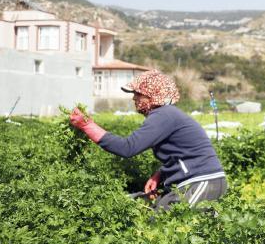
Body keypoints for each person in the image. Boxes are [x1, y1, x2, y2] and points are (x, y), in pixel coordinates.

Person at [69, 70, 227, 211]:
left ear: (153, 95)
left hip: (201, 182)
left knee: (169, 228)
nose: (133, 98)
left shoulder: (163, 115)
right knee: (153, 217)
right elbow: (180, 153)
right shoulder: (165, 115)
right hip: (198, 182)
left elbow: (127, 148)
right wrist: (160, 174)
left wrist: (87, 125)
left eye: (138, 94)